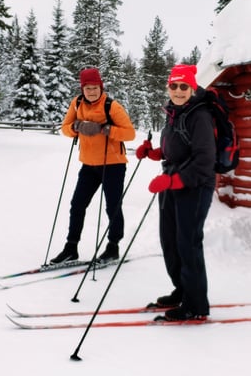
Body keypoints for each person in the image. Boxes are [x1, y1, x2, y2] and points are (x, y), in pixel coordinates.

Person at [136, 63, 216, 321]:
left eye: (184, 86)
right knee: (169, 240)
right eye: (174, 86)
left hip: (194, 187)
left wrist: (173, 181)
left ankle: (195, 305)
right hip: (172, 182)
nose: (179, 90)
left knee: (188, 244)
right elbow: (177, 150)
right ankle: (182, 290)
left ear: (192, 88)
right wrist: (154, 153)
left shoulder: (199, 115)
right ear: (168, 87)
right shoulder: (174, 112)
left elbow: (204, 161)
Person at [50, 67, 136, 264]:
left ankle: (113, 246)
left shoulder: (111, 106)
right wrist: (77, 127)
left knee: (112, 206)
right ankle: (71, 248)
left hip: (113, 164)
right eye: (88, 88)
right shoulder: (77, 103)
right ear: (82, 89)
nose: (91, 92)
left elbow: (130, 133)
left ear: (101, 86)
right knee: (77, 204)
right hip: (88, 165)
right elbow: (65, 128)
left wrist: (106, 129)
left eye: (95, 87)